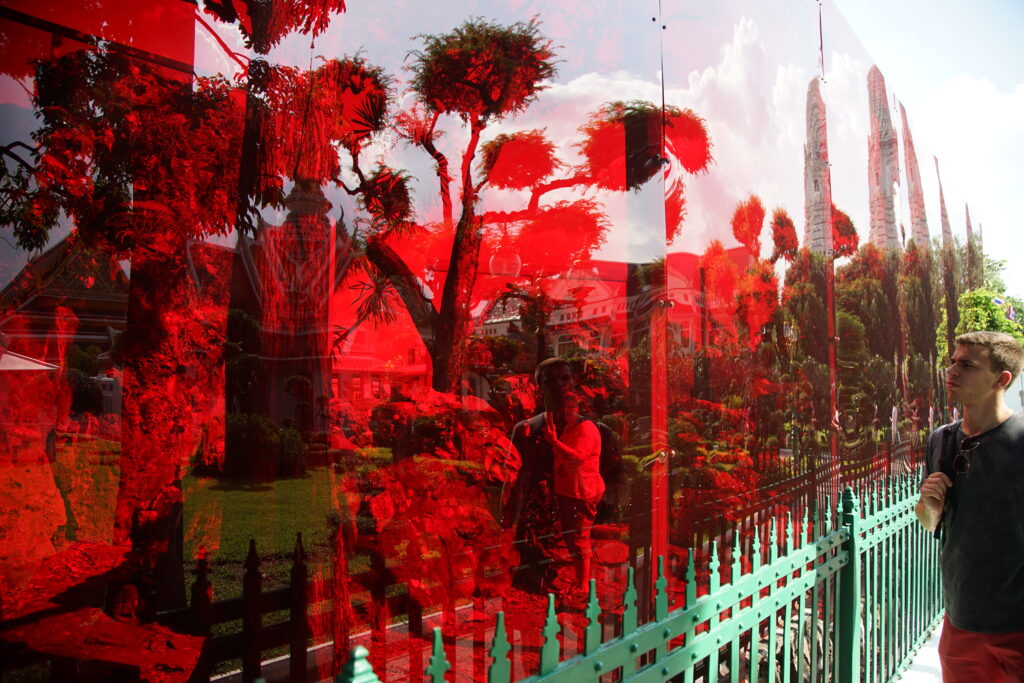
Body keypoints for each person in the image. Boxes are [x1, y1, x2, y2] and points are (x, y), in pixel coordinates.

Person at [916, 330, 1024, 681]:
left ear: (1001, 379)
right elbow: (931, 523)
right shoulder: (941, 440)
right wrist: (929, 505)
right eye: (952, 362)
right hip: (961, 621)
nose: (952, 371)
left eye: (968, 365)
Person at [505, 358, 607, 596]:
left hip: (576, 499)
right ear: (539, 388)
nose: (560, 385)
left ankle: (580, 582)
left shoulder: (590, 428)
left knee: (577, 539)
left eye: (565, 378)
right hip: (537, 528)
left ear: (573, 382)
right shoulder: (525, 429)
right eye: (550, 381)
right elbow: (513, 483)